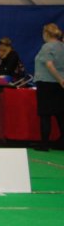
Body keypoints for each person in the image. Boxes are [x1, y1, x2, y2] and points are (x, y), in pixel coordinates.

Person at [32, 23, 64, 151]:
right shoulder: (62, 46)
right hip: (59, 85)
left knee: (45, 114)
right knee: (60, 114)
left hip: (46, 83)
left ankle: (44, 143)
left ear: (46, 34)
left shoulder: (47, 47)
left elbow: (49, 65)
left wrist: (59, 79)